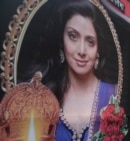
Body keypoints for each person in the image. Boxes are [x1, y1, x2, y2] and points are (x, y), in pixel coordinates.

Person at [18, 0, 121, 140]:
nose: (82, 51)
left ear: (98, 50)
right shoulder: (42, 95)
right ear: (62, 41)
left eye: (90, 42)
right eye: (73, 36)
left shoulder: (113, 95)